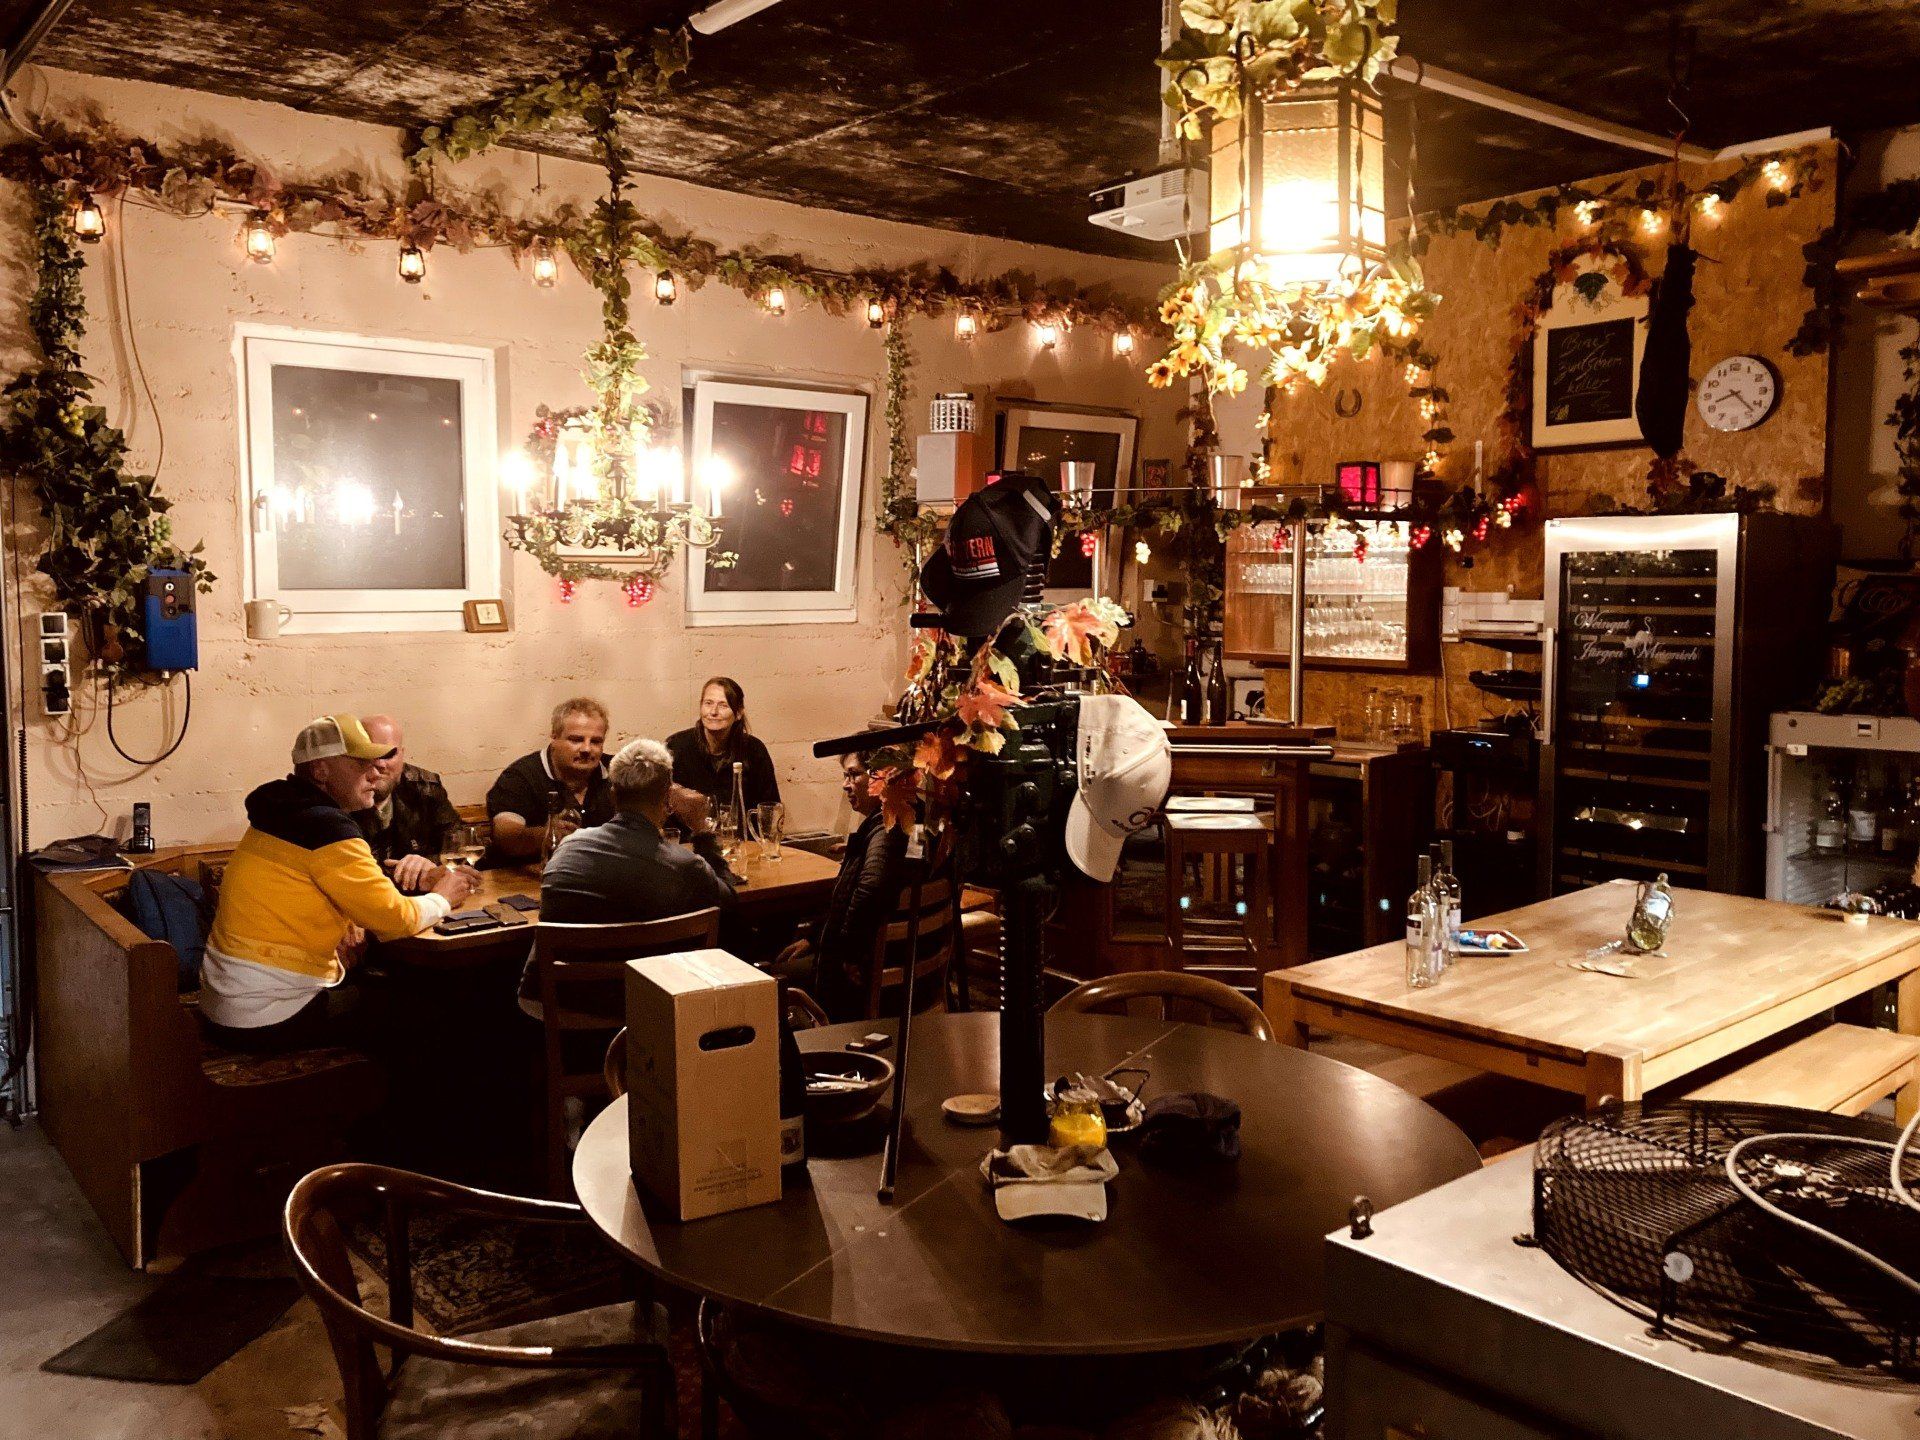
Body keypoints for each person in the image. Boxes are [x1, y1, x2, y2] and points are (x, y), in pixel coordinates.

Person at [200, 715, 478, 1053]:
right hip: (269, 1014)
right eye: (361, 763)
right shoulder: (326, 827)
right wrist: (443, 897)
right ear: (321, 771)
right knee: (436, 1010)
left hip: (226, 1004)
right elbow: (395, 919)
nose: (375, 772)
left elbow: (322, 885)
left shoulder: (280, 813)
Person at [525, 739, 737, 1010]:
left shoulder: (567, 848)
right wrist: (703, 830)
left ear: (612, 795)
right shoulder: (685, 867)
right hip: (647, 1008)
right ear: (667, 800)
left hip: (560, 1005)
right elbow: (729, 904)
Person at [770, 750, 906, 1019]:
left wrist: (849, 955)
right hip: (901, 975)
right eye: (845, 775)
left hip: (853, 981)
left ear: (883, 776)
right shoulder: (903, 819)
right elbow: (846, 899)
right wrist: (814, 937)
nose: (845, 785)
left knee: (764, 977)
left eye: (854, 775)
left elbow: (869, 890)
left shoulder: (886, 829)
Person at [483, 697, 615, 866]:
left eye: (596, 741)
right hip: (526, 876)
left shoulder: (618, 771)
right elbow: (506, 837)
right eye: (576, 740)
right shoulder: (521, 776)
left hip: (598, 873)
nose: (586, 749)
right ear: (554, 737)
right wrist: (548, 834)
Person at [356, 713, 462, 890]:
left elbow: (461, 842)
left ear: (402, 755)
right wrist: (407, 873)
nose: (380, 764)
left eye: (388, 754)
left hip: (424, 898)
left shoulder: (425, 787)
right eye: (370, 754)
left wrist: (429, 864)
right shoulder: (340, 796)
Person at [666, 676, 780, 814]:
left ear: (738, 713)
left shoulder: (754, 750)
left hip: (740, 828)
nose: (713, 712)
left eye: (723, 705)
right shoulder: (677, 747)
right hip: (690, 828)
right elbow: (660, 806)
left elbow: (770, 808)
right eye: (708, 703)